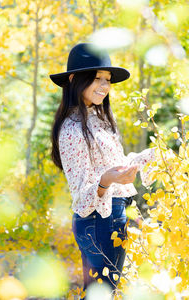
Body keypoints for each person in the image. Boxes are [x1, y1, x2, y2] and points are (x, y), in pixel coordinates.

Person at [50, 43, 155, 299]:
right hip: (98, 220)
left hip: (114, 214)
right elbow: (82, 196)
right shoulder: (72, 128)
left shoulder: (101, 118)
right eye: (97, 78)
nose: (104, 86)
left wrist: (148, 156)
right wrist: (106, 181)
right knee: (103, 293)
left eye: (107, 79)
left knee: (104, 292)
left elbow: (115, 166)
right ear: (74, 79)